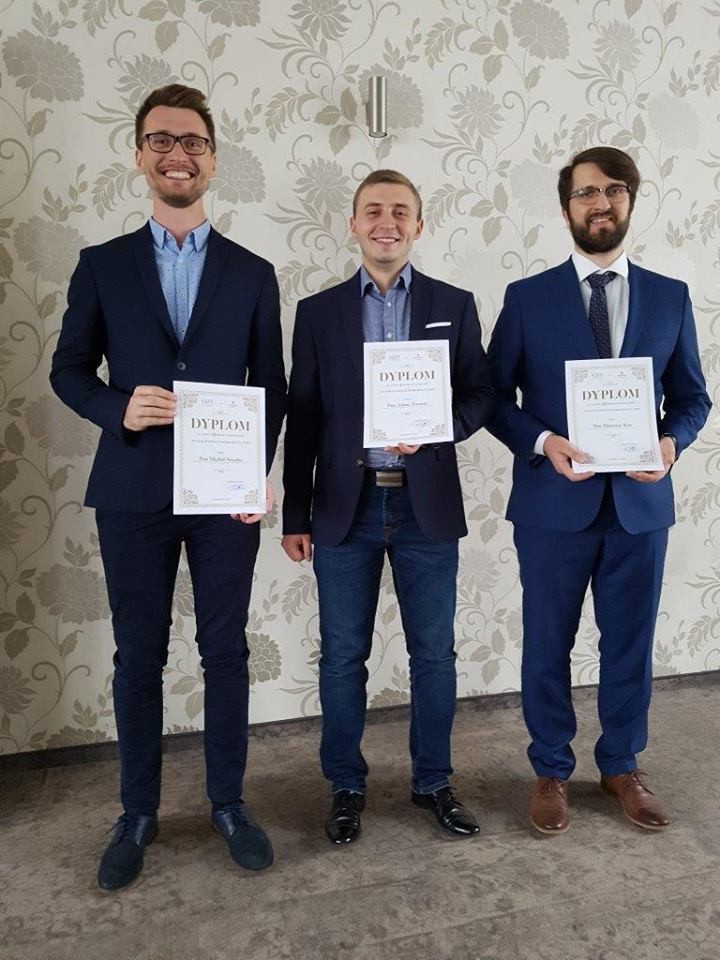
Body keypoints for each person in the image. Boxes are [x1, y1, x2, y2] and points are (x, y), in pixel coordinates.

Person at [51, 84, 286, 889]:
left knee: (225, 651)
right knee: (139, 655)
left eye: (192, 142)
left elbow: (273, 387)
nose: (177, 154)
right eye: (161, 140)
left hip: (225, 498)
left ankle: (230, 804)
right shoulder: (102, 265)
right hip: (133, 490)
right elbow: (68, 371)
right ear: (139, 155)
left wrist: (256, 476)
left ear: (213, 160)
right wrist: (117, 408)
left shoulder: (253, 273)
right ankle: (137, 813)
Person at [487, 147, 711, 835]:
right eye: (586, 192)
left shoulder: (670, 296)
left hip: (639, 507)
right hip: (553, 505)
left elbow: (692, 398)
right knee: (546, 642)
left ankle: (621, 764)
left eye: (614, 190)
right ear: (567, 209)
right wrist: (541, 442)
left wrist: (670, 444)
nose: (600, 202)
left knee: (630, 645)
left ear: (630, 202)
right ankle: (550, 768)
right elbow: (491, 397)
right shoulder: (527, 298)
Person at [281, 169, 494, 844]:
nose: (387, 221)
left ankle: (433, 781)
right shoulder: (318, 313)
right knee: (343, 658)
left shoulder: (454, 304)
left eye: (401, 211)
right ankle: (345, 785)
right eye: (373, 210)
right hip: (344, 509)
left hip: (425, 508)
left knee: (435, 656)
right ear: (353, 224)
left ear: (418, 225)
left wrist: (439, 427)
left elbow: (481, 395)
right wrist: (294, 515)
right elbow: (303, 417)